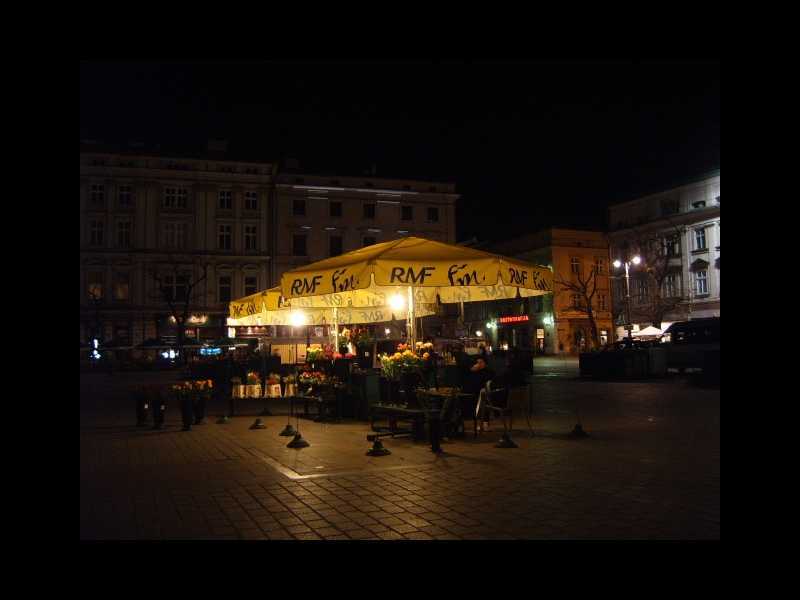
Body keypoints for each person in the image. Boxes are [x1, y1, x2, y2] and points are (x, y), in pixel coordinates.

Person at [463, 357, 496, 432]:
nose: (479, 364)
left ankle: (484, 423)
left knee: (483, 398)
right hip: (474, 392)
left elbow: (489, 383)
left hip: (487, 393)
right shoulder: (475, 371)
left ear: (485, 363)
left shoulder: (489, 371)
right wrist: (471, 371)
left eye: (481, 362)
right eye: (477, 363)